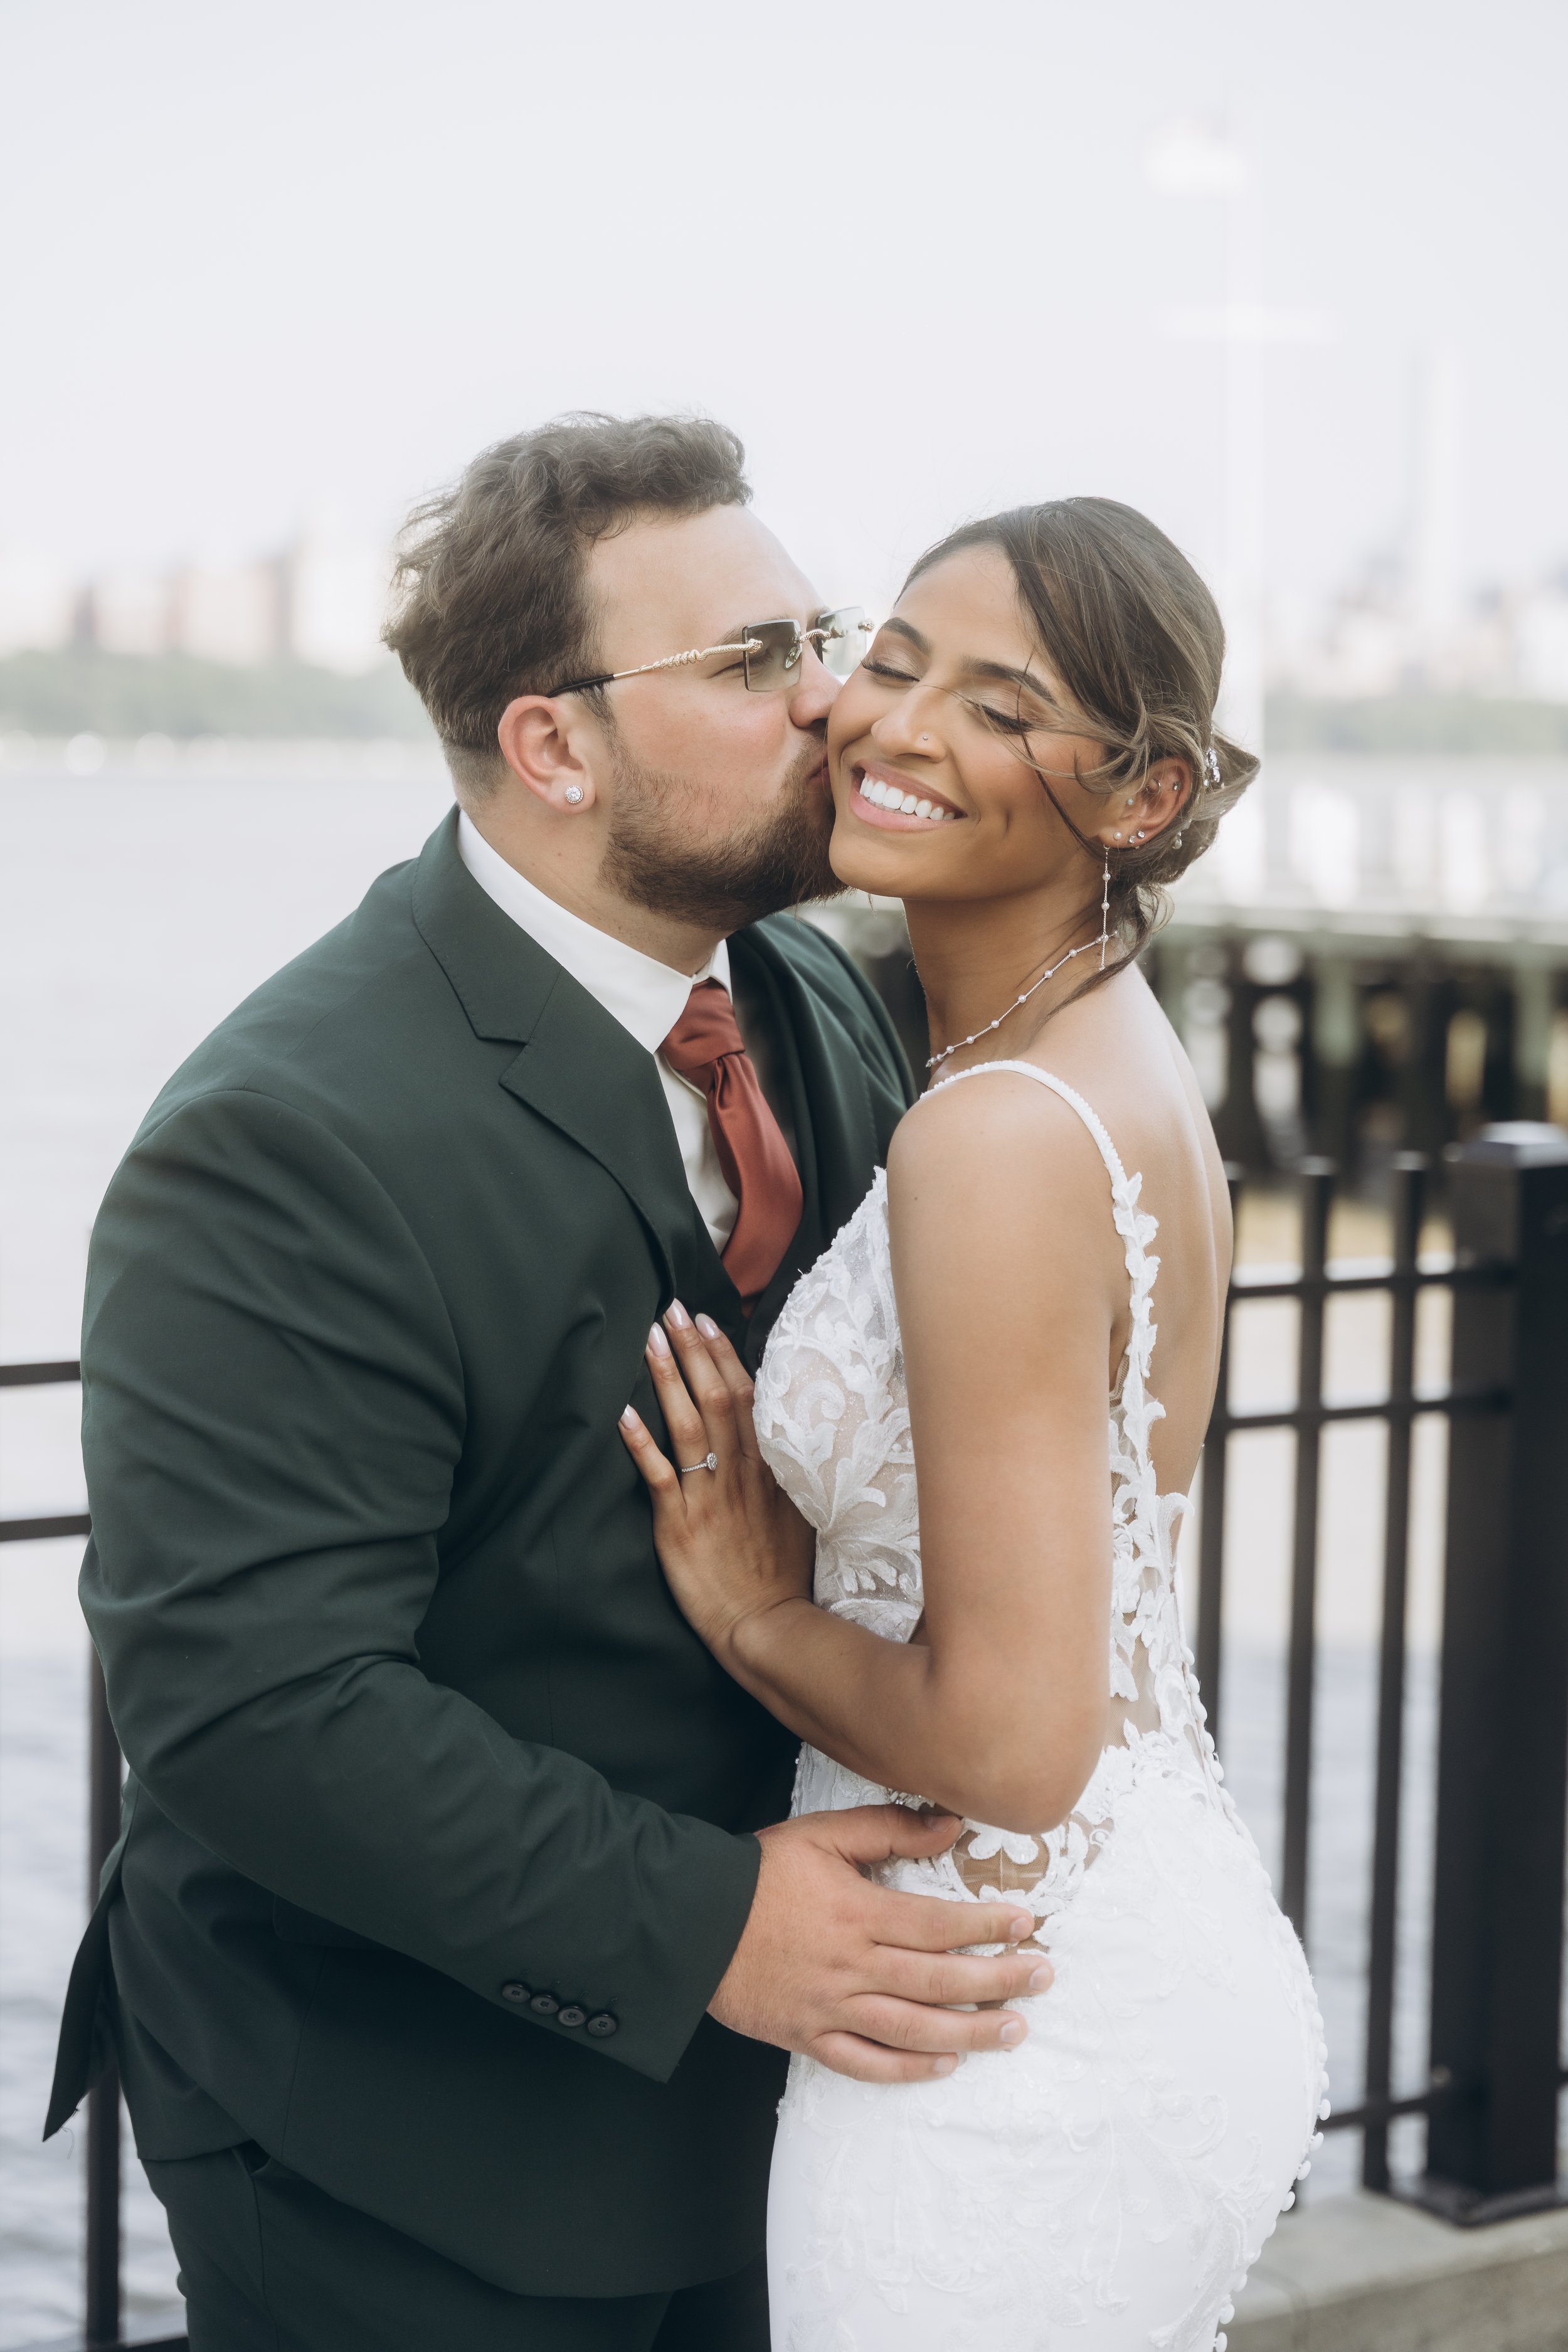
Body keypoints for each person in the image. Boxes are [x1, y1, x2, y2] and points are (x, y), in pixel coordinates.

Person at [45, 415, 1054, 2352]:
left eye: (817, 633)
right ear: (553, 743)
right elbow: (255, 1707)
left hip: (789, 2115)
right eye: (755, 662)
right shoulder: (282, 1139)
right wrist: (718, 1928)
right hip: (401, 2137)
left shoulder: (811, 995)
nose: (834, 698)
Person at [620, 497, 1329, 2349]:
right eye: (898, 661)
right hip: (1107, 1952)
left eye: (1002, 708)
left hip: (999, 2018)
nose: (898, 725)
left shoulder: (997, 1133)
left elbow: (1014, 1742)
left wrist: (756, 1615)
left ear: (1142, 794)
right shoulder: (1105, 1060)